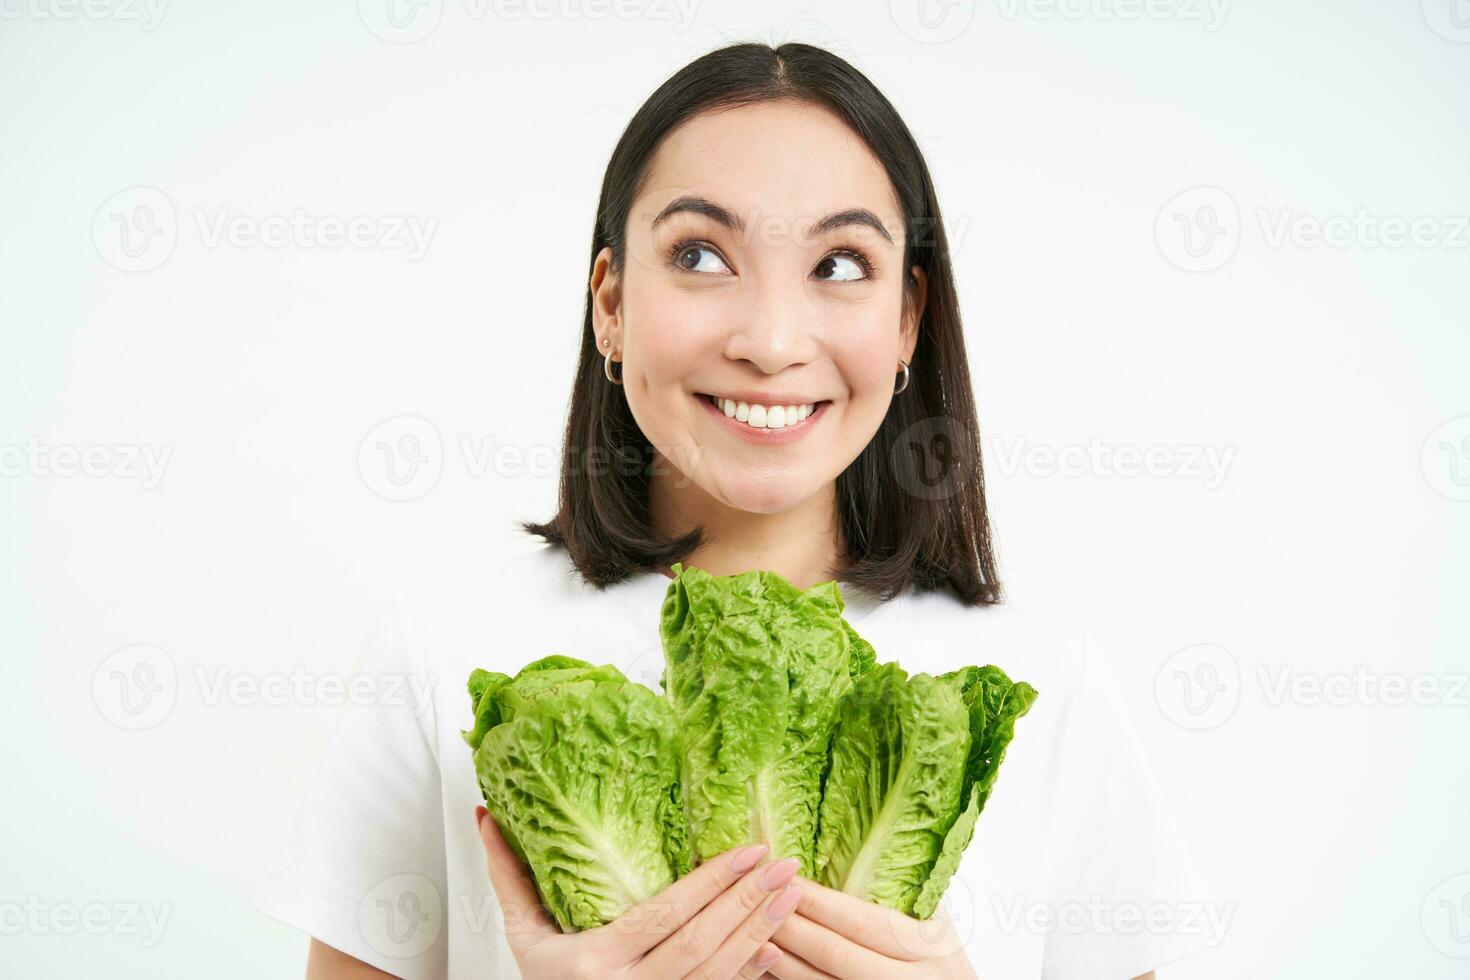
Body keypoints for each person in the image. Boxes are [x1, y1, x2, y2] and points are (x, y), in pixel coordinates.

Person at [257, 41, 1216, 979]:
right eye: (703, 255)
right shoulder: (441, 652)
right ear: (611, 304)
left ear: (908, 320)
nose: (770, 339)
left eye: (840, 265)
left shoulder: (1045, 680)